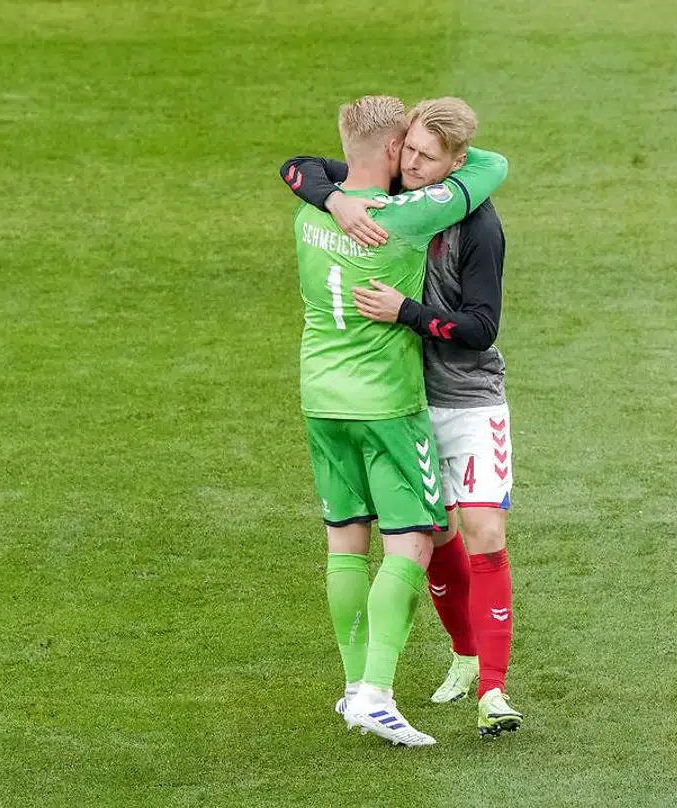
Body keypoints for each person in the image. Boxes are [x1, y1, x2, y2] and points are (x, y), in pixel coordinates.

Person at [281, 97, 521, 739]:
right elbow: (493, 165)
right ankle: (382, 688)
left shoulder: (317, 212)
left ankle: (385, 685)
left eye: (427, 155)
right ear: (393, 150)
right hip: (392, 403)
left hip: (353, 396)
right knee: (418, 539)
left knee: (361, 538)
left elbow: (297, 167)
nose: (413, 163)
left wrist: (330, 197)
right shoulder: (399, 211)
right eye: (407, 149)